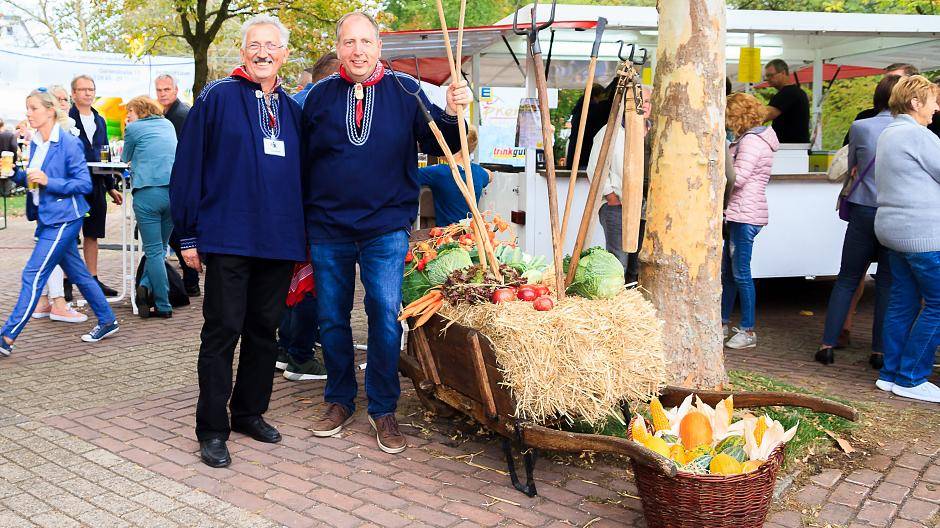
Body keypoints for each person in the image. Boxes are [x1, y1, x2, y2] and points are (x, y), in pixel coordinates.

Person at [302, 11, 469, 454]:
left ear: (379, 47)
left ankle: (383, 408)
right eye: (349, 42)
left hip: (386, 228)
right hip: (328, 228)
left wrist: (454, 112)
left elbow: (444, 142)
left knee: (384, 316)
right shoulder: (316, 97)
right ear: (338, 47)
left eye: (366, 42)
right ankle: (339, 400)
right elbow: (295, 164)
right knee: (332, 319)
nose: (358, 50)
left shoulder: (405, 90)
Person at [170, 15, 306, 468]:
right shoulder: (216, 97)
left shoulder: (293, 110)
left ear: (284, 54)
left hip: (278, 239)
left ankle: (249, 412)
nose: (263, 52)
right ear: (242, 51)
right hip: (228, 236)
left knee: (264, 334)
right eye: (255, 44)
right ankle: (212, 428)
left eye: (272, 45)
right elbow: (188, 167)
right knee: (222, 331)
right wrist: (187, 233)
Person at [0, 89, 120, 357]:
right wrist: (14, 174)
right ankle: (108, 319)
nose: (28, 113)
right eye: (27, 108)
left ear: (49, 111)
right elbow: (34, 181)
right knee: (78, 273)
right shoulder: (37, 143)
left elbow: (83, 184)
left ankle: (6, 336)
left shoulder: (68, 143)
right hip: (47, 218)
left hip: (65, 218)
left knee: (32, 274)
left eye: (33, 108)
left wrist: (48, 181)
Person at [815, 75, 901, 367]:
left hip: (863, 210)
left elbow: (851, 167)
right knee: (887, 282)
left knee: (848, 279)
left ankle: (827, 344)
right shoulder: (911, 131)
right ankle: (879, 351)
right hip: (893, 212)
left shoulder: (860, 127)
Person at [872, 75, 940, 403]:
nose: (936, 108)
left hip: (893, 230)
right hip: (923, 234)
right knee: (938, 305)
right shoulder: (918, 135)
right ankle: (912, 378)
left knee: (902, 302)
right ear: (916, 103)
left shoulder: (889, 133)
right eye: (933, 100)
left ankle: (891, 373)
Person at [276, 50, 341, 383]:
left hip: (289, 209)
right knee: (311, 286)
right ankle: (300, 357)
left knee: (294, 282)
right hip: (313, 210)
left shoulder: (291, 104)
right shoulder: (319, 105)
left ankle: (286, 348)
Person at [722, 93, 779, 350]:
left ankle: (748, 329)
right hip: (740, 212)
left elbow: (739, 178)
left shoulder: (751, 142)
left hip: (744, 214)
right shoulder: (753, 139)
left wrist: (722, 156)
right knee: (730, 274)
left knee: (741, 274)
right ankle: (722, 322)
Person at [30, 85, 86, 324]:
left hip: (51, 206)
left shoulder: (64, 129)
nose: (64, 103)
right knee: (53, 256)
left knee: (52, 255)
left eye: (66, 99)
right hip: (56, 208)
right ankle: (59, 304)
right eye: (59, 99)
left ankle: (45, 301)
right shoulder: (55, 133)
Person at [585, 86, 652, 285]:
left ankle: (634, 307)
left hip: (646, 209)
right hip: (618, 207)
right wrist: (611, 196)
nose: (645, 106)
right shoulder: (610, 133)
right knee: (617, 263)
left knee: (639, 264)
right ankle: (615, 308)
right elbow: (595, 169)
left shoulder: (654, 132)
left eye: (648, 101)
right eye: (641, 101)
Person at [123, 96, 178, 319]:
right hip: (173, 193)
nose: (128, 117)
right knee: (160, 249)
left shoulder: (134, 129)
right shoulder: (168, 124)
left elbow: (125, 157)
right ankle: (144, 286)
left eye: (130, 112)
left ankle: (163, 305)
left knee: (153, 251)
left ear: (139, 110)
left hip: (147, 193)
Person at [69, 75, 122, 298]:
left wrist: (111, 185)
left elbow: (105, 151)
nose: (88, 93)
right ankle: (66, 284)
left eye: (91, 89)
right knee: (70, 235)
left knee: (93, 234)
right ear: (73, 94)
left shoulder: (100, 119)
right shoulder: (67, 119)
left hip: (97, 184)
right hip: (73, 185)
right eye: (82, 90)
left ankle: (93, 280)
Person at [155, 74, 200, 297]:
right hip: (173, 178)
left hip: (180, 180)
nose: (163, 93)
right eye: (159, 90)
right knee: (173, 231)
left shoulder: (180, 115)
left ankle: (191, 280)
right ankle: (190, 279)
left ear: (176, 90)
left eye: (166, 89)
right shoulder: (167, 114)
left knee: (177, 231)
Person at [417, 126, 491, 226]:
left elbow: (406, 176)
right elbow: (490, 175)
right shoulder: (479, 173)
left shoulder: (439, 172)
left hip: (447, 236)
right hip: (471, 236)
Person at [842, 64, 918, 145]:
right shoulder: (865, 117)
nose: (889, 84)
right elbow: (847, 150)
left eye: (896, 80)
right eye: (887, 80)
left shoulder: (925, 118)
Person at [566, 82, 612, 170]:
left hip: (577, 157)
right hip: (585, 156)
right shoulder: (593, 110)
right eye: (602, 97)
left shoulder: (580, 109)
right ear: (595, 96)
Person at [763, 59, 810, 144]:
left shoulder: (787, 93)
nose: (768, 79)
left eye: (771, 75)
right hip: (798, 146)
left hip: (790, 148)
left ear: (783, 73)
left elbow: (764, 116)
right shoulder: (798, 92)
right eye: (767, 76)